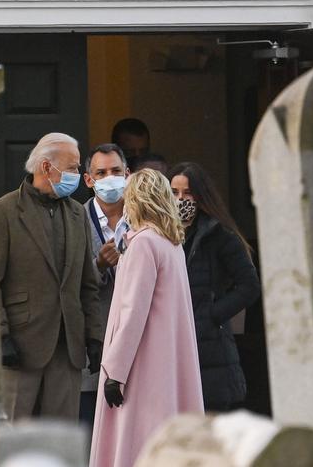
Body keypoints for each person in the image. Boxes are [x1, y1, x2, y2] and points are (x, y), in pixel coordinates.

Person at [89, 169, 204, 467]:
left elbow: (132, 311)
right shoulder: (171, 243)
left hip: (141, 364)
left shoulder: (142, 243)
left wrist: (116, 371)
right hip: (167, 361)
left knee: (136, 442)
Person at [0, 133, 106, 421]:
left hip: (67, 347)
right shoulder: (4, 211)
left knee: (60, 438)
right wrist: (1, 335)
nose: (78, 176)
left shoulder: (77, 214)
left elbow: (87, 284)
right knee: (15, 437)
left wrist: (94, 336)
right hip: (20, 346)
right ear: (46, 167)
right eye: (72, 168)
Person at [167, 162, 261, 411]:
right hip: (173, 341)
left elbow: (249, 285)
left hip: (210, 346)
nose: (180, 199)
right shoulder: (163, 235)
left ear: (200, 196)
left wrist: (212, 314)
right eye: (174, 193)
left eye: (187, 193)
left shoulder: (219, 235)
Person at [78, 144, 130, 429]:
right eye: (101, 172)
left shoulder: (142, 220)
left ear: (128, 174)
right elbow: (64, 281)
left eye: (115, 171)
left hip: (134, 345)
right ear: (88, 179)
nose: (109, 178)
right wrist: (97, 267)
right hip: (92, 349)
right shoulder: (75, 219)